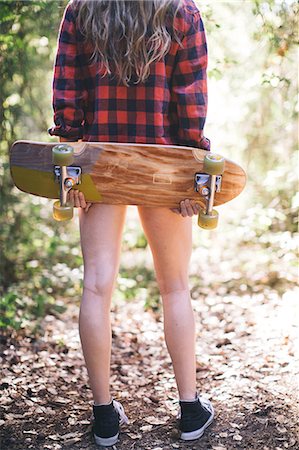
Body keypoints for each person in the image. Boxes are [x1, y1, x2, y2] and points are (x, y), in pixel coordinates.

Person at [49, 0, 214, 446]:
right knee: (175, 285)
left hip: (99, 162)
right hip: (163, 163)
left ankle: (104, 417)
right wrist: (189, 171)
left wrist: (70, 167)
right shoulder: (182, 11)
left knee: (95, 285)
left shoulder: (81, 9)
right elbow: (191, 99)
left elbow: (67, 90)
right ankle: (190, 409)